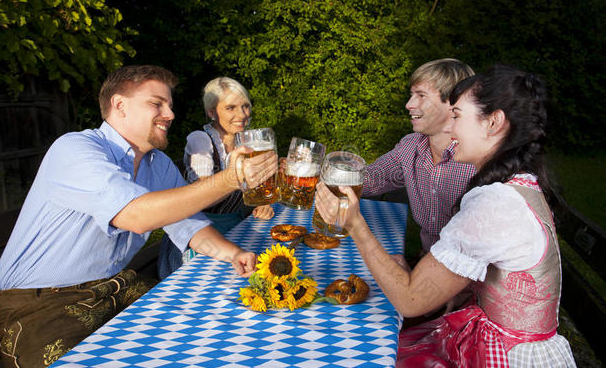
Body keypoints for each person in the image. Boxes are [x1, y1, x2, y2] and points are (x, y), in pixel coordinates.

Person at [0, 65, 278, 367]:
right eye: (156, 104)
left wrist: (233, 253)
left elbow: (189, 224)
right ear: (119, 105)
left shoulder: (159, 164)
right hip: (40, 304)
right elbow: (135, 215)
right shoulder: (75, 149)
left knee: (201, 333)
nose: (169, 114)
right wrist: (230, 179)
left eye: (169, 105)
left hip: (115, 286)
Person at [315, 65, 576, 367]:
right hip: (494, 332)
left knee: (359, 351)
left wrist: (355, 224)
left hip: (509, 356)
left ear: (493, 122)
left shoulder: (495, 203)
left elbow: (411, 301)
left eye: (458, 116)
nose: (451, 129)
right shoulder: (518, 183)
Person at [158, 76, 274, 279]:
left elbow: (251, 189)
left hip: (235, 227)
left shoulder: (245, 141)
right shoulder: (201, 140)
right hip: (199, 235)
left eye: (245, 106)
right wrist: (236, 176)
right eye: (231, 108)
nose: (242, 114)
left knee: (268, 266)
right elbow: (204, 194)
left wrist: (262, 202)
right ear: (212, 112)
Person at [362, 58, 476, 252]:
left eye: (421, 95)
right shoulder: (411, 145)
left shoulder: (478, 159)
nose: (409, 104)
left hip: (472, 274)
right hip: (429, 260)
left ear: (453, 103)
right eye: (411, 94)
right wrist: (314, 172)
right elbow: (370, 180)